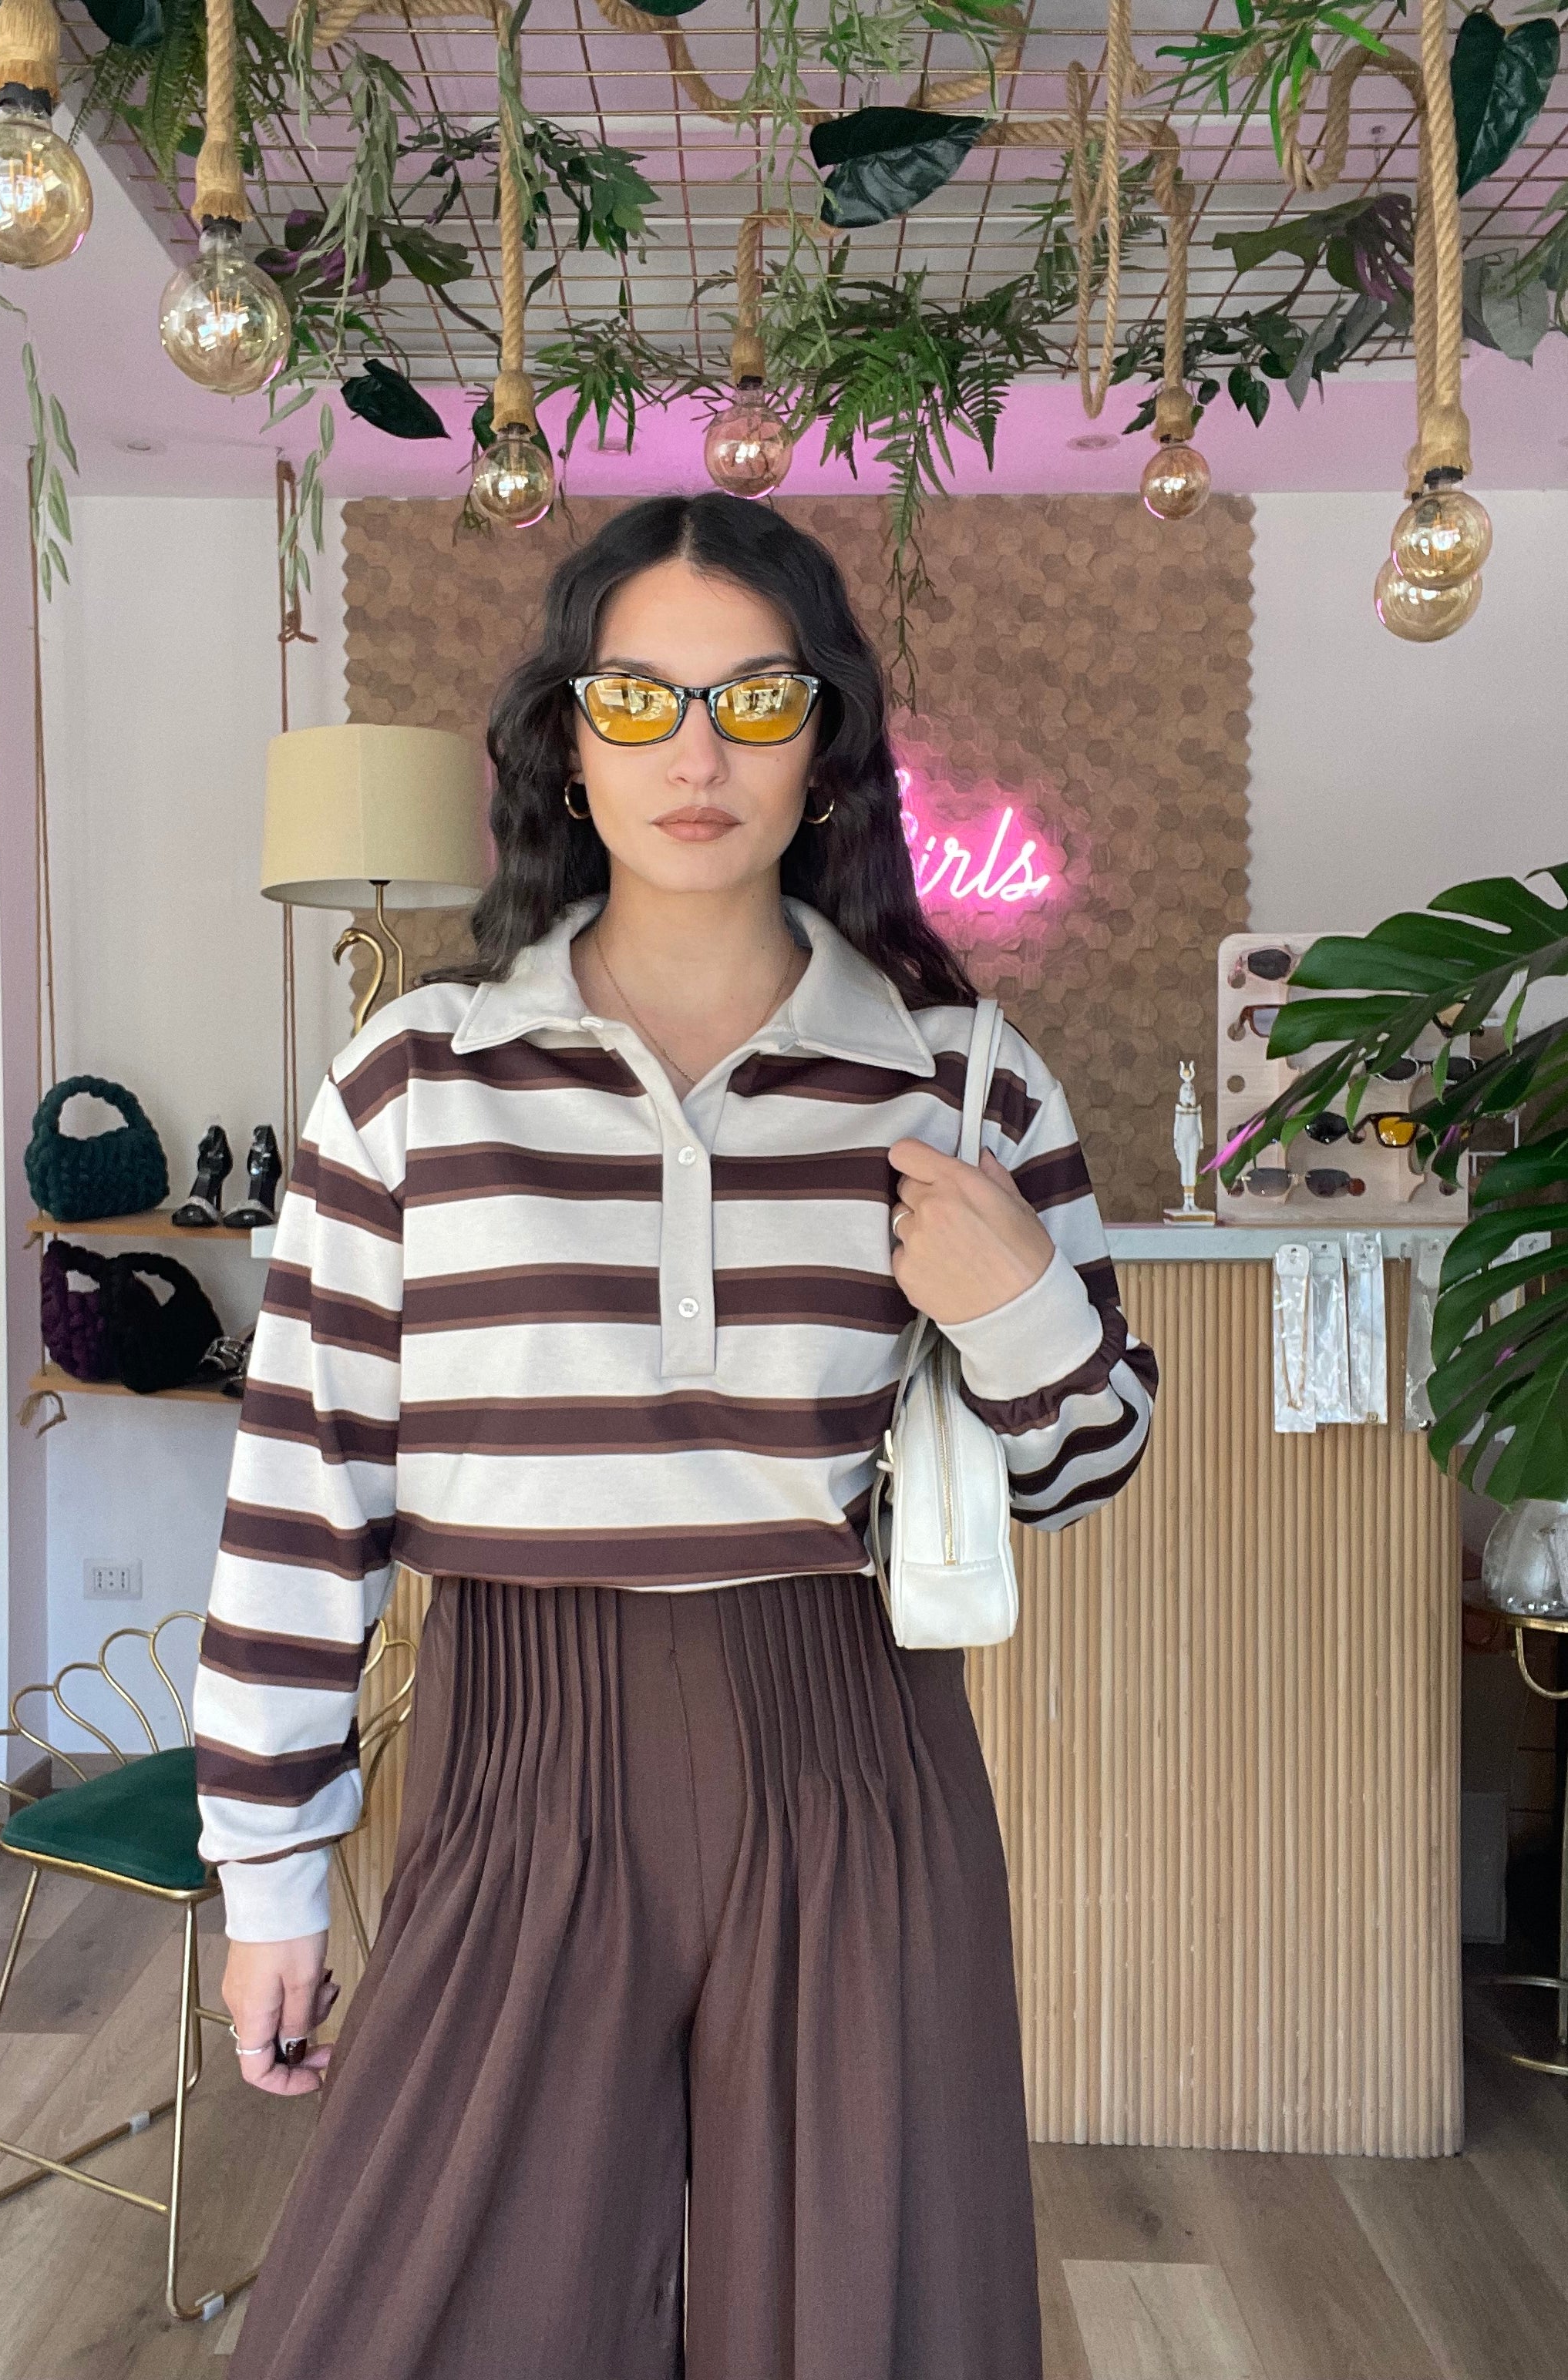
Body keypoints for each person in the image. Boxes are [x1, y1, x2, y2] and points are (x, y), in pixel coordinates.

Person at [194, 492, 1158, 2380]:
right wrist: (273, 1872)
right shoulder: (416, 1079)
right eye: (637, 698)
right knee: (433, 2311)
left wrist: (1018, 1298)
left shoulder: (962, 1076)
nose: (696, 755)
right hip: (518, 1758)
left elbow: (1086, 1461)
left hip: (856, 1751)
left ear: (827, 738)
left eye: (754, 699)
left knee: (868, 2314)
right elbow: (303, 1496)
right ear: (567, 737)